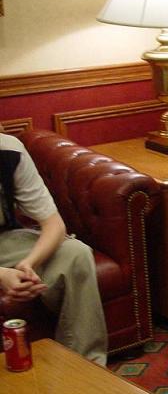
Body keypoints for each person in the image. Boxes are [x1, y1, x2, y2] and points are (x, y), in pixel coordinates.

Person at [0, 134, 107, 365]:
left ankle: (86, 367)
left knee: (75, 253)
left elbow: (54, 225)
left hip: (5, 239)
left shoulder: (9, 149)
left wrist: (29, 263)